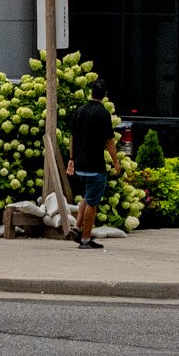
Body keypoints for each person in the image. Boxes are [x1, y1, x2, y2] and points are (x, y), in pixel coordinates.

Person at [64, 87, 115, 250]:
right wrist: (116, 162)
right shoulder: (103, 114)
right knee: (92, 203)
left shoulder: (80, 111)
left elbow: (72, 137)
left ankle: (78, 228)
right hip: (96, 164)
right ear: (104, 95)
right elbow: (109, 142)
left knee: (87, 196)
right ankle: (86, 238)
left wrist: (71, 159)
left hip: (80, 164)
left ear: (91, 93)